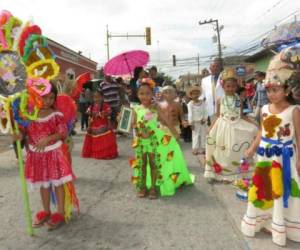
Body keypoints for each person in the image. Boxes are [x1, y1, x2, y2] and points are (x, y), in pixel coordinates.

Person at [241, 48, 300, 247]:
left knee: (284, 191)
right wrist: (250, 150)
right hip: (265, 158)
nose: (271, 94)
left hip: (285, 158)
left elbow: (299, 138)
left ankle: (283, 225)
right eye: (268, 90)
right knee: (264, 189)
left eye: (275, 89)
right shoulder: (265, 109)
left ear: (287, 89)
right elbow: (261, 133)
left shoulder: (294, 110)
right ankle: (265, 221)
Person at [14, 84, 78, 230]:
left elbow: (62, 133)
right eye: (44, 97)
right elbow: (24, 132)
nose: (48, 101)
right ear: (35, 96)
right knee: (43, 184)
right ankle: (46, 211)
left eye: (51, 98)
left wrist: (47, 139)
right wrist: (19, 135)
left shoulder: (56, 114)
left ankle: (60, 212)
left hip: (53, 154)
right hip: (36, 156)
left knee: (57, 184)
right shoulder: (29, 115)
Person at [131, 79, 194, 198]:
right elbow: (132, 124)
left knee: (154, 164)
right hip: (140, 142)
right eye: (141, 93)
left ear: (153, 94)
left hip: (154, 141)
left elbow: (166, 120)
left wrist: (175, 133)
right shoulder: (136, 109)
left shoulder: (155, 108)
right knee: (142, 165)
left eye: (148, 93)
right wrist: (122, 120)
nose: (144, 96)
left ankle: (154, 187)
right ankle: (143, 186)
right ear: (137, 95)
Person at [204, 68, 258, 183]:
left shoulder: (239, 99)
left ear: (236, 87)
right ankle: (221, 173)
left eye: (233, 86)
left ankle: (234, 174)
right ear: (223, 87)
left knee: (235, 150)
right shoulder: (220, 100)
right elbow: (218, 115)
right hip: (223, 126)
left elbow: (241, 115)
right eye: (228, 86)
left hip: (236, 126)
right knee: (223, 151)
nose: (231, 88)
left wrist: (252, 123)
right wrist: (211, 127)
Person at [82, 90, 118, 159]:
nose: (96, 99)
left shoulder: (105, 106)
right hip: (94, 127)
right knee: (96, 141)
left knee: (105, 142)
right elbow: (88, 114)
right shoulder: (91, 107)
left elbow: (109, 112)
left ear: (102, 97)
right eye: (95, 97)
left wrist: (104, 114)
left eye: (98, 97)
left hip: (104, 126)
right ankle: (98, 153)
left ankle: (106, 154)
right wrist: (89, 125)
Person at [187, 86, 207, 155]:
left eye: (197, 94)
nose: (195, 95)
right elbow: (190, 114)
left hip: (202, 122)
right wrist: (191, 123)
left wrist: (204, 119)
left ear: (199, 94)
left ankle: (203, 148)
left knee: (203, 135)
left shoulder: (203, 103)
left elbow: (205, 111)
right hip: (195, 122)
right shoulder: (190, 104)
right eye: (193, 94)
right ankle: (195, 149)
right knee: (195, 136)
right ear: (191, 95)